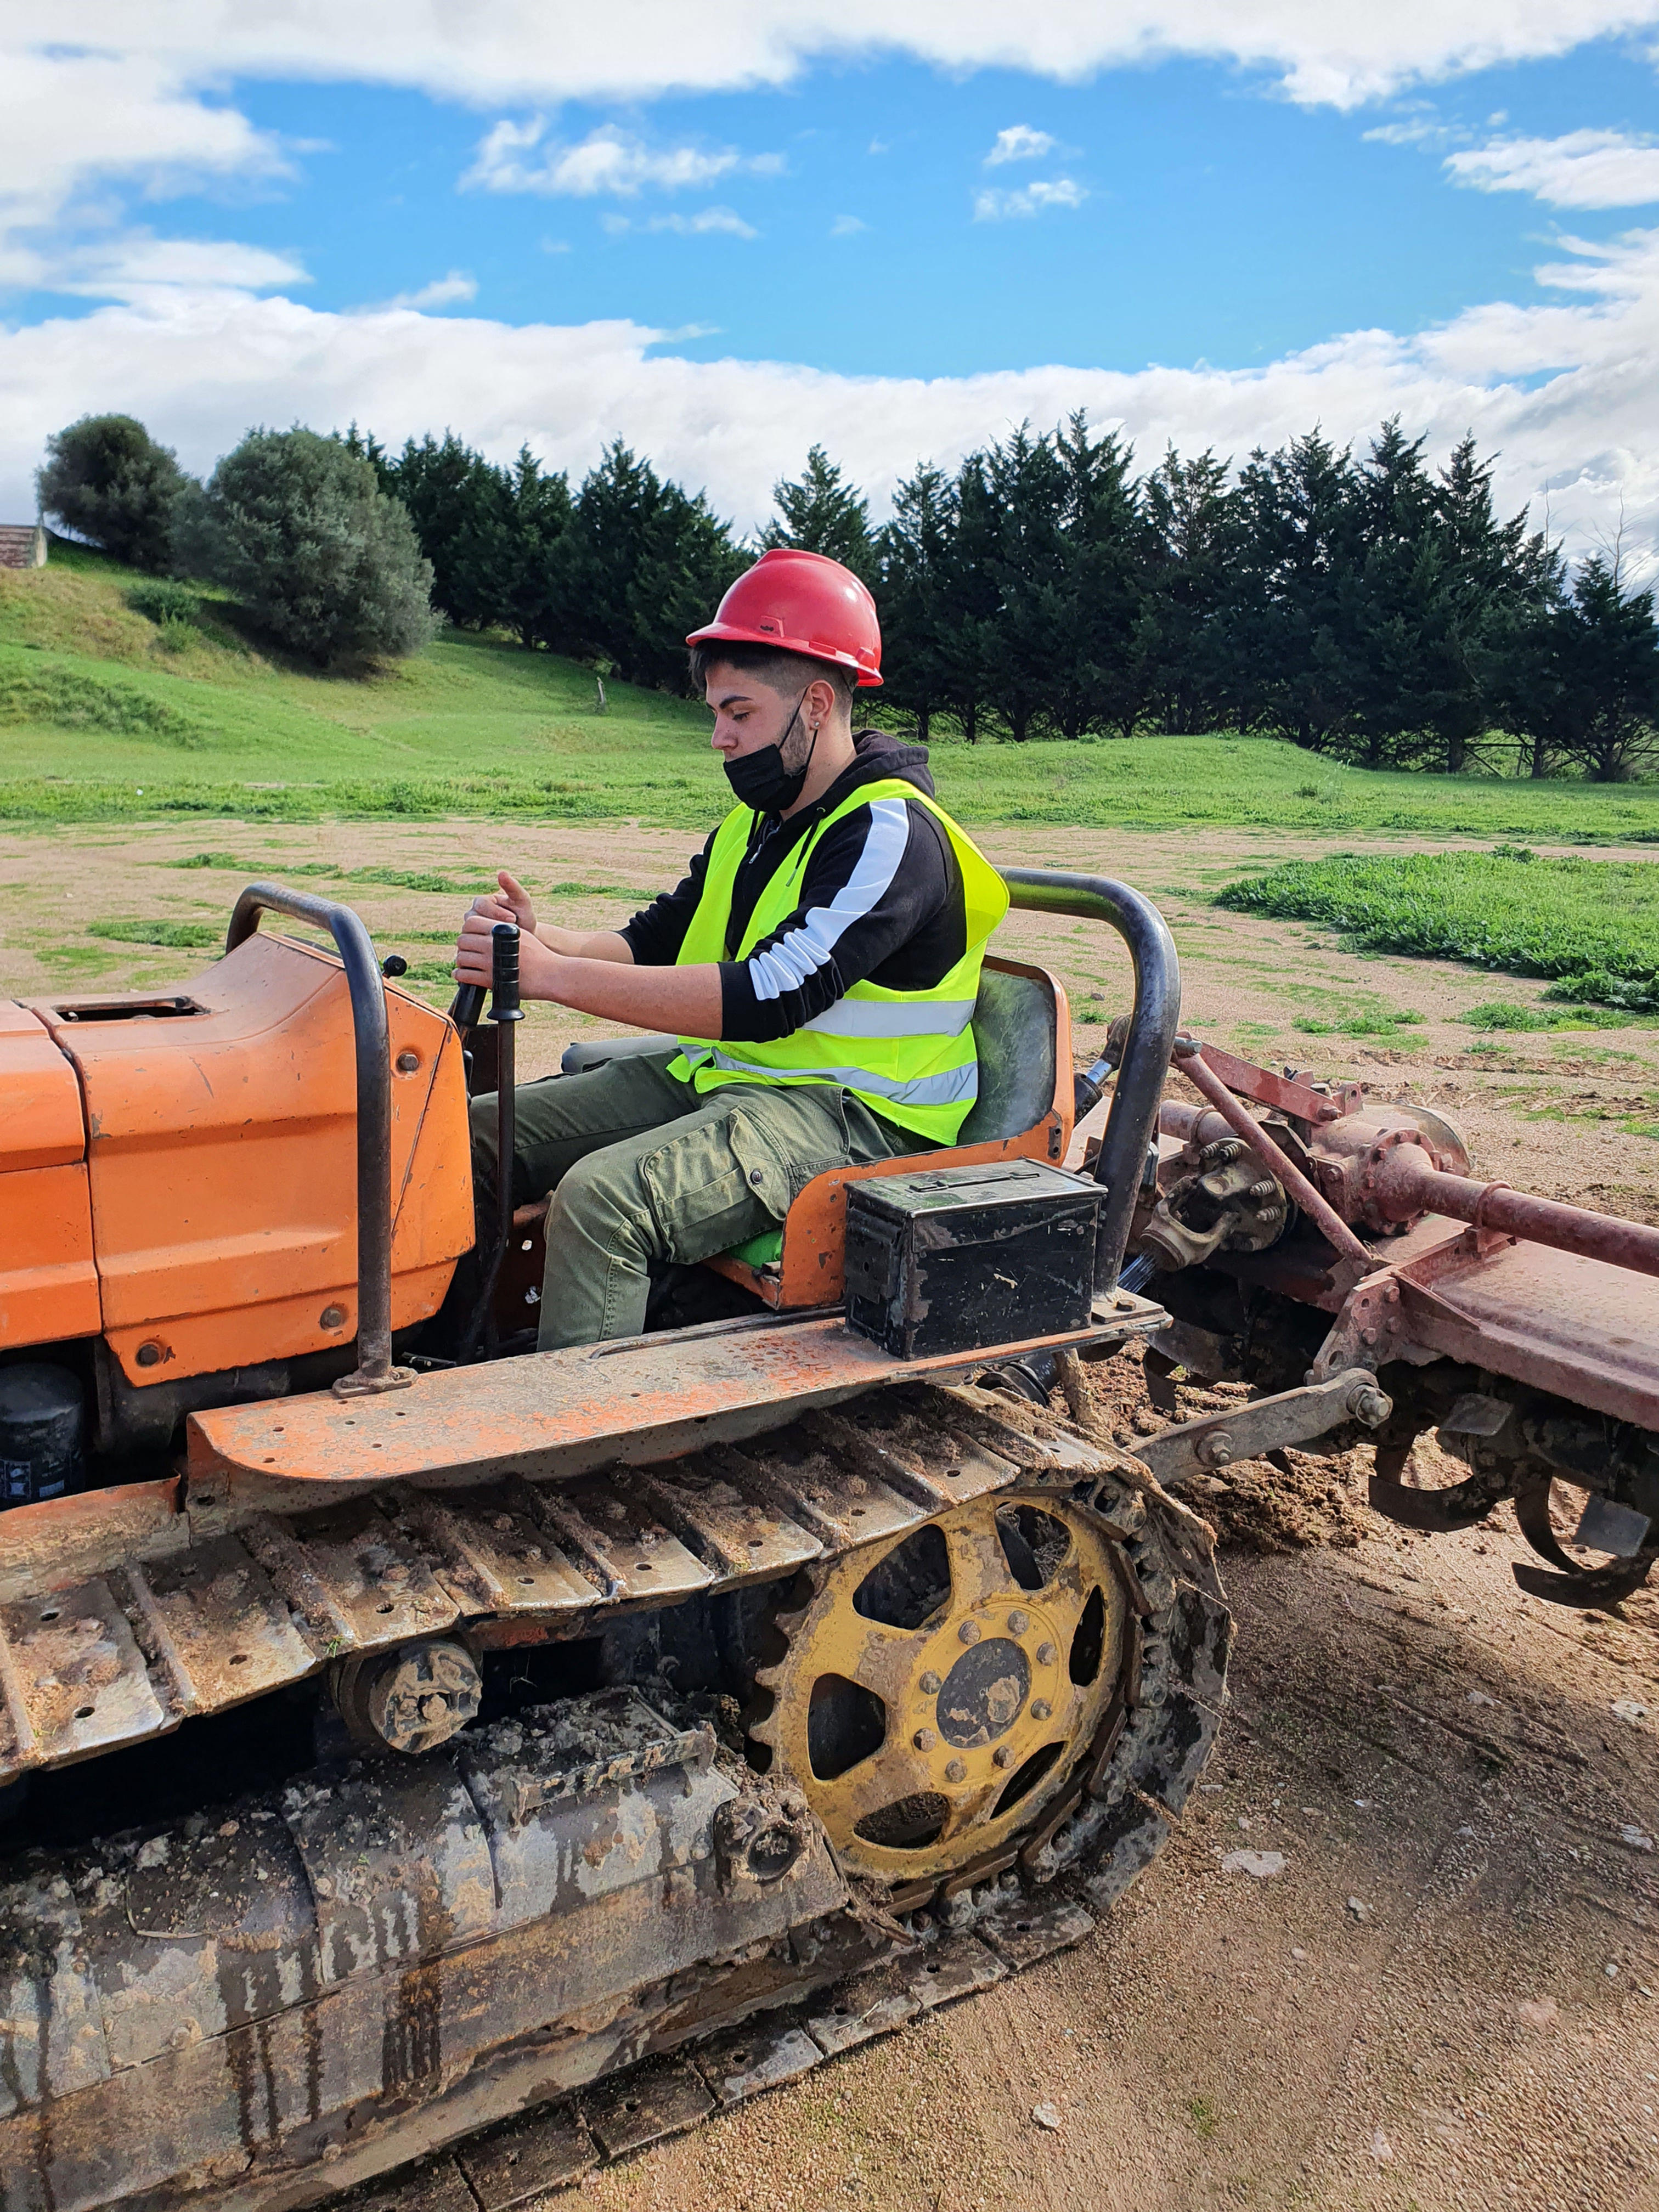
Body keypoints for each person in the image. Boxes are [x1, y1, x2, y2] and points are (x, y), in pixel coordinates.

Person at [449, 546, 1009, 1350]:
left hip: (852, 1119)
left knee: (604, 1201)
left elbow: (772, 995)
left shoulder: (891, 833)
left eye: (739, 714)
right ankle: (443, 1362)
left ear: (816, 704)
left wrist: (553, 978)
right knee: (471, 1134)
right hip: (733, 1079)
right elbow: (657, 938)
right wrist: (545, 941)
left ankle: (574, 1452)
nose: (718, 737)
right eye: (716, 713)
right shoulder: (758, 824)